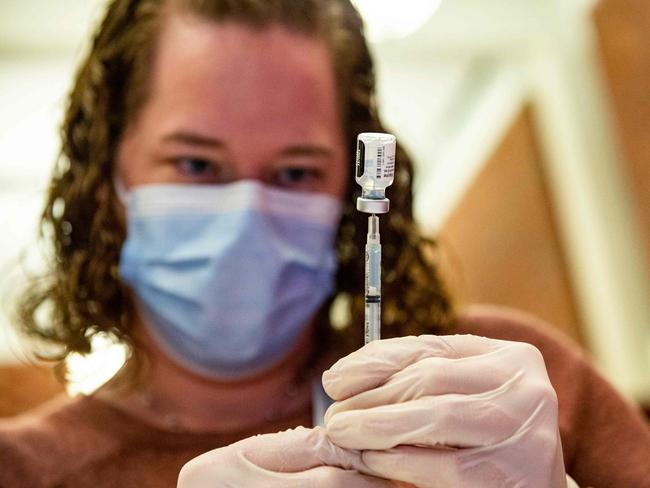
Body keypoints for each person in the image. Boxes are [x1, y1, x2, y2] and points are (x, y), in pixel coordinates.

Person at [1, 0, 649, 487]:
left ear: (349, 187)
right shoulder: (25, 470)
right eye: (197, 165)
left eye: (295, 173)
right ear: (106, 176)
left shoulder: (502, 395)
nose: (245, 219)